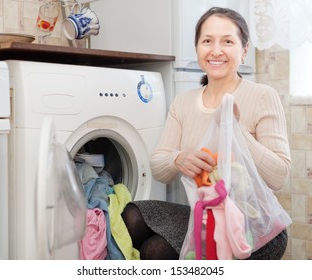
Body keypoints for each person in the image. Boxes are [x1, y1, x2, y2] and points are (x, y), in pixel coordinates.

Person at [121, 7, 291, 260]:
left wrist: (233, 130)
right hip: (206, 217)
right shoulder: (183, 102)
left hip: (254, 228)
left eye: (228, 41)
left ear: (244, 51)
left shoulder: (262, 96)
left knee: (155, 249)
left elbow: (279, 176)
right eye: (207, 41)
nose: (216, 50)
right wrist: (178, 159)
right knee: (131, 216)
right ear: (198, 48)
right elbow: (158, 167)